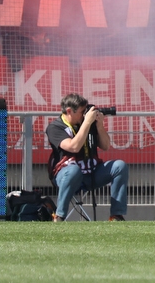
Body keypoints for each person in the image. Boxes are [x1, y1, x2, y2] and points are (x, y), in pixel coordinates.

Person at [46, 93, 129, 222]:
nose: (85, 114)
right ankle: (60, 216)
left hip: (91, 173)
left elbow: (106, 146)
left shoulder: (88, 123)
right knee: (74, 170)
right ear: (69, 111)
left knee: (120, 166)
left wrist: (99, 126)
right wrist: (87, 123)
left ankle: (116, 215)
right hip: (67, 176)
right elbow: (74, 147)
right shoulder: (55, 127)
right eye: (81, 111)